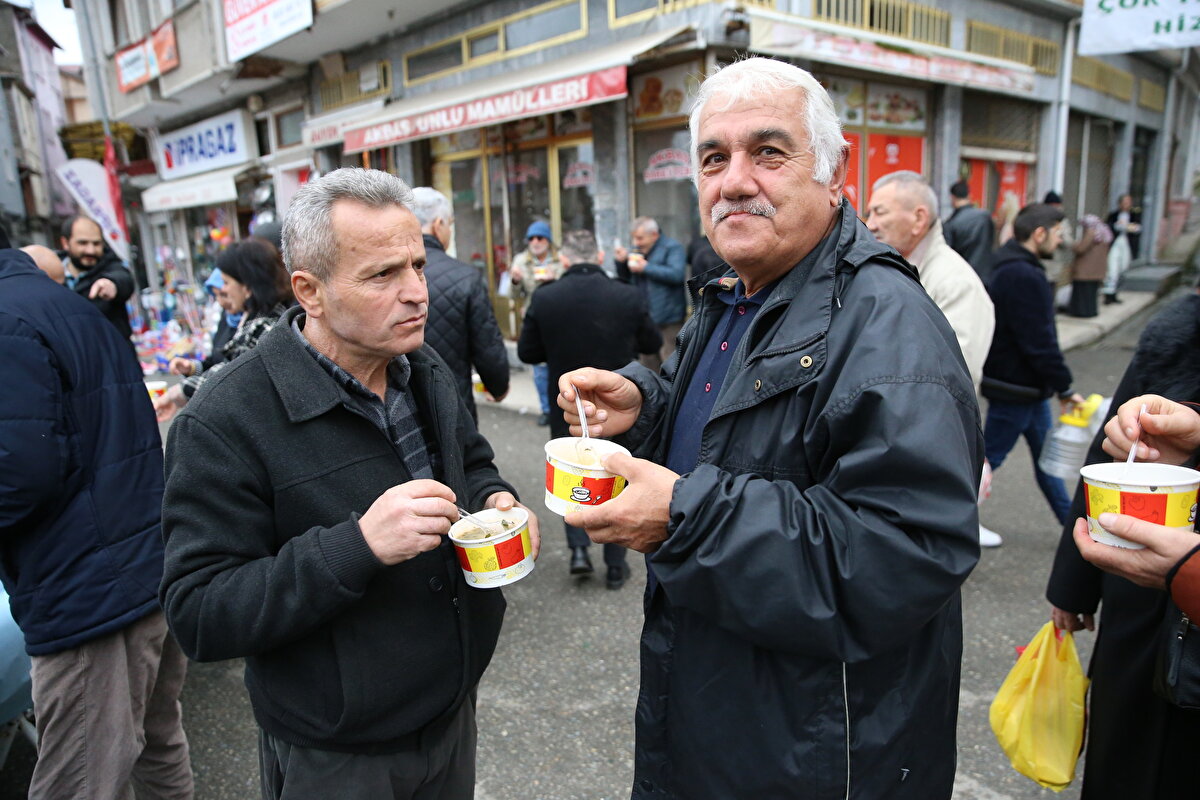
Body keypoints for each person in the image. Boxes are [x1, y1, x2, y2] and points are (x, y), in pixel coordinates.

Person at [557, 58, 982, 798]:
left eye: (769, 152)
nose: (736, 180)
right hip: (719, 708)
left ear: (834, 173)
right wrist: (648, 406)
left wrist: (682, 517)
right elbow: (736, 433)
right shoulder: (733, 295)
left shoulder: (887, 323)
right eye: (714, 158)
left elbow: (904, 555)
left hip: (818, 750)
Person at [160, 168, 538, 800]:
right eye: (382, 274)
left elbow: (469, 461)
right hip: (336, 751)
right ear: (309, 290)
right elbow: (199, 614)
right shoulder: (225, 419)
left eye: (417, 264)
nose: (417, 292)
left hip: (451, 706)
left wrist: (493, 499)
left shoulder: (423, 366)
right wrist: (358, 545)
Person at [0, 247, 193, 798]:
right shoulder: (69, 307)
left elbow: (22, 472)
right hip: (142, 564)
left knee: (79, 778)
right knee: (156, 742)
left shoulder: (9, 320)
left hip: (88, 587)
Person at [1047, 291, 1200, 800]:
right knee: (1126, 751)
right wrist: (1072, 586)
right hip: (1137, 594)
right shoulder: (1177, 335)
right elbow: (1105, 461)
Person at [517, 229, 660, 588]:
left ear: (564, 259)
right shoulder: (627, 294)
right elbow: (652, 342)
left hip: (568, 402)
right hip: (620, 402)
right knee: (617, 475)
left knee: (571, 474)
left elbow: (527, 353)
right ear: (598, 257)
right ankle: (615, 562)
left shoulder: (546, 297)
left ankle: (579, 549)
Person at [981, 203, 1083, 528]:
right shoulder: (1022, 274)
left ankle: (1074, 533)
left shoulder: (1013, 267)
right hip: (1016, 388)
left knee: (1047, 464)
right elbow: (1039, 342)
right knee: (982, 464)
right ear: (1039, 234)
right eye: (1057, 233)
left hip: (1026, 388)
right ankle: (946, 523)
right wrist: (1065, 388)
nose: (1061, 241)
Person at [865, 170, 994, 389]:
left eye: (880, 213)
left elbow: (954, 377)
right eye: (869, 214)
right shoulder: (886, 268)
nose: (870, 225)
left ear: (919, 219)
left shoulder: (955, 283)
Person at [153, 238, 293, 422]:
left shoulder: (265, 328)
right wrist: (194, 368)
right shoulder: (249, 317)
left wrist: (177, 393)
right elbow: (222, 360)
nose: (222, 294)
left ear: (247, 286)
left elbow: (230, 375)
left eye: (226, 283)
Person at [411, 187, 509, 421]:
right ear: (438, 224)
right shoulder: (465, 277)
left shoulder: (386, 274)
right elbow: (487, 344)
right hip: (454, 401)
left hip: (402, 402)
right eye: (450, 225)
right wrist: (498, 385)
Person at [613, 217, 687, 372]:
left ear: (654, 234)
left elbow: (676, 275)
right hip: (645, 317)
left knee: (672, 367)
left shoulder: (672, 248)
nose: (636, 242)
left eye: (640, 238)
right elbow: (625, 279)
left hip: (668, 318)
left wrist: (646, 268)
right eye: (634, 238)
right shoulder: (637, 250)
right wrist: (621, 262)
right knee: (648, 368)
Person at [510, 221, 560, 425]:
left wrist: (554, 279)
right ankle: (546, 409)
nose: (535, 242)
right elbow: (514, 294)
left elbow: (571, 287)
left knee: (558, 364)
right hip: (534, 317)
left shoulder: (561, 260)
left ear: (548, 240)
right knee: (539, 368)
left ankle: (561, 406)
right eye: (531, 238)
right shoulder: (521, 260)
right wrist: (514, 281)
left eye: (540, 238)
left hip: (558, 316)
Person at [59, 214, 137, 340]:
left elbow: (124, 280)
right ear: (65, 243)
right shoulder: (50, 272)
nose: (90, 250)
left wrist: (112, 284)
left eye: (96, 243)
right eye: (82, 243)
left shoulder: (112, 265)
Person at [943, 180, 996, 280]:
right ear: (969, 195)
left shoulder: (951, 224)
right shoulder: (985, 217)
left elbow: (947, 254)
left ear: (952, 197)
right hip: (986, 276)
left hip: (963, 277)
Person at [1066, 214, 1113, 319]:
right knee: (1091, 294)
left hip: (1086, 269)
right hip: (1097, 269)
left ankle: (1080, 312)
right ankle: (1091, 311)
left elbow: (1081, 248)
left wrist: (1072, 244)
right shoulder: (1104, 232)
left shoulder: (1091, 232)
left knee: (1082, 294)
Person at [1104, 193, 1142, 304]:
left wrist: (1131, 227)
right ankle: (1108, 293)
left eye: (1128, 202)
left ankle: (1116, 292)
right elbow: (1108, 227)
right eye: (1124, 202)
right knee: (1112, 268)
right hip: (1116, 243)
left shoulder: (1134, 215)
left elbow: (1137, 228)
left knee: (1122, 267)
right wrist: (1117, 226)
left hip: (1126, 243)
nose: (1127, 205)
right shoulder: (1114, 215)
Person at [1042, 190, 1076, 287]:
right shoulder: (1037, 219)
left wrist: (1059, 233)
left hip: (1054, 264)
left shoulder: (1062, 222)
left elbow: (1068, 243)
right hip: (1038, 264)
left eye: (1056, 206)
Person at [685, 233, 724, 308]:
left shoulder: (696, 244)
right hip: (715, 295)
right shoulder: (719, 249)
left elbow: (689, 261)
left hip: (699, 288)